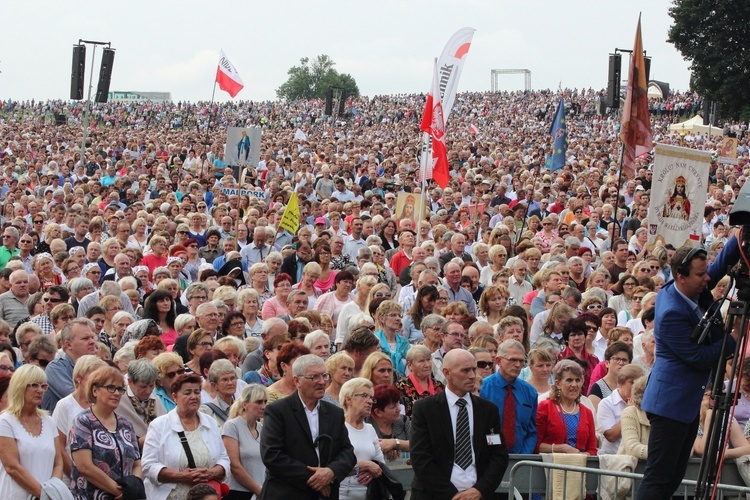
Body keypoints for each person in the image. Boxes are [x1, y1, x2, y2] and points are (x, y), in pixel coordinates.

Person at [637, 238, 741, 500]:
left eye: (705, 272)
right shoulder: (672, 310)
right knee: (659, 479)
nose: (707, 279)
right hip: (669, 405)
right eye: (700, 274)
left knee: (672, 478)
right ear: (681, 276)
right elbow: (698, 356)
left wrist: (738, 238)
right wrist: (732, 337)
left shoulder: (683, 288)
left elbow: (714, 269)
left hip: (684, 404)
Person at [410, 349, 508, 500]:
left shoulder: (488, 410)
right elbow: (420, 457)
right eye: (465, 370)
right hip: (434, 494)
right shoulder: (425, 409)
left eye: (474, 369)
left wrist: (479, 490)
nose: (472, 375)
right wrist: (453, 495)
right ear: (447, 373)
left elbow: (498, 455)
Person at [259, 354, 356, 499]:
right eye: (314, 377)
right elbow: (272, 455)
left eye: (324, 376)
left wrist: (331, 472)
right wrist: (316, 479)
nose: (322, 382)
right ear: (297, 380)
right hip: (287, 493)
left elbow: (347, 452)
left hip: (325, 494)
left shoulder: (334, 413)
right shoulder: (278, 411)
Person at [142, 373, 230, 500]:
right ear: (174, 397)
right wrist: (181, 476)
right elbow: (148, 466)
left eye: (197, 392)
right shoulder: (159, 425)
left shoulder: (210, 423)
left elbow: (224, 458)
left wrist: (210, 473)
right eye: (187, 393)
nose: (194, 397)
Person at [69, 365, 142, 499]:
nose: (116, 393)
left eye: (120, 389)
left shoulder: (126, 424)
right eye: (110, 387)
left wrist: (133, 488)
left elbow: (137, 463)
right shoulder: (83, 422)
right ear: (95, 390)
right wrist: (120, 492)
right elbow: (85, 467)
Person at [0, 365, 63, 498]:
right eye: (34, 385)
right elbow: (12, 467)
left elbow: (58, 463)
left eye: (43, 386)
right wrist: (43, 494)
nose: (40, 390)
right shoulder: (5, 421)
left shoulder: (49, 422)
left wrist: (53, 491)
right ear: (19, 386)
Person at [480, 339, 538, 454]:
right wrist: (495, 454)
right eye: (513, 360)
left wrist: (524, 456)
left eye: (521, 361)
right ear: (498, 361)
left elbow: (531, 431)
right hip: (488, 456)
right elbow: (481, 428)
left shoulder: (530, 392)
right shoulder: (483, 389)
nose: (517, 365)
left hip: (520, 461)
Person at [535, 359, 598, 455]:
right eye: (569, 380)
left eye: (578, 380)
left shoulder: (587, 412)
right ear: (558, 383)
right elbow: (536, 445)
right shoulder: (545, 407)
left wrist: (581, 456)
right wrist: (561, 448)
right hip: (550, 465)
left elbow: (592, 449)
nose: (574, 385)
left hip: (579, 466)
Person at [339, 378, 385, 499]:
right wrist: (364, 465)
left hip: (369, 494)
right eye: (364, 396)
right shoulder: (337, 427)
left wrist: (373, 472)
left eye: (371, 397)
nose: (370, 401)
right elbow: (331, 466)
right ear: (348, 399)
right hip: (342, 493)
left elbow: (381, 464)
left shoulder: (370, 428)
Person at [222, 384, 268, 500]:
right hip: (239, 493)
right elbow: (234, 466)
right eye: (258, 402)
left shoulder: (262, 428)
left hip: (262, 491)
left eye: (265, 402)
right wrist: (259, 491)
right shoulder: (232, 426)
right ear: (245, 404)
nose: (263, 406)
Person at [395, 345, 444, 417]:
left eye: (428, 360)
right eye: (421, 361)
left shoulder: (439, 385)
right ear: (410, 365)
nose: (427, 365)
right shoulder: (400, 387)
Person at [367, 384, 411, 461]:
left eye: (398, 403)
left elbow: (418, 444)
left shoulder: (404, 421)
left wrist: (396, 444)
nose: (399, 409)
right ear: (378, 412)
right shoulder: (364, 424)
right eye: (393, 407)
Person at [617, 376, 650, 460]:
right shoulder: (630, 412)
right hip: (629, 468)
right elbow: (632, 447)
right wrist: (664, 453)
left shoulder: (670, 415)